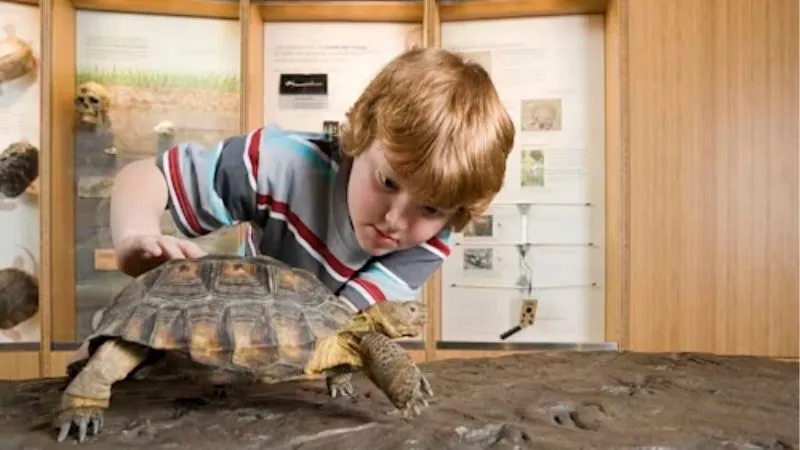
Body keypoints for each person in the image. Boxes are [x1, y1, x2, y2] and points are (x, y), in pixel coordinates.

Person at [69, 47, 515, 365]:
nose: (396, 220)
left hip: (292, 355)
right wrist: (133, 236)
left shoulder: (431, 239)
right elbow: (141, 177)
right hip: (220, 323)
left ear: (455, 211)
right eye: (388, 181)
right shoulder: (280, 164)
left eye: (432, 208)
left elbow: (341, 329)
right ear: (360, 135)